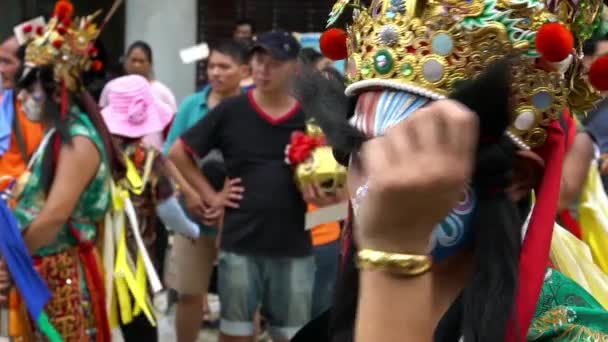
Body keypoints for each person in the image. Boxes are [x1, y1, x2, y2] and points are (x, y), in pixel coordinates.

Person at [291, 0, 608, 341]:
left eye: (412, 152)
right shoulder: (323, 332)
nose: (375, 188)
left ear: (516, 177)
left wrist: (396, 257)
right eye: (362, 156)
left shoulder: (569, 332)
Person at [170, 30, 322, 342]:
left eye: (274, 63)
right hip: (240, 241)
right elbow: (178, 153)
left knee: (292, 333)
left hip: (293, 244)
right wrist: (211, 194)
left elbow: (336, 169)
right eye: (258, 61)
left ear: (294, 68)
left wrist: (324, 190)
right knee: (235, 331)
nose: (264, 70)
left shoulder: (310, 116)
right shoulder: (232, 110)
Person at [0, 3, 125, 340]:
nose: (23, 96)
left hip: (63, 273)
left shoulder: (78, 141)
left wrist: (13, 262)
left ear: (55, 90)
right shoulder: (59, 135)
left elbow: (55, 214)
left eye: (30, 87)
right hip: (44, 268)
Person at [163, 40, 249, 342]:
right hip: (192, 217)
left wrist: (226, 199)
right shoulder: (191, 106)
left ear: (244, 70)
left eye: (224, 67)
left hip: (240, 219)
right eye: (211, 66)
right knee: (189, 293)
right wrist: (190, 193)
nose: (215, 72)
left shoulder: (252, 107)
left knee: (241, 302)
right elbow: (169, 157)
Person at [0, 35, 44, 191]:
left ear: (27, 65)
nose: (1, 69)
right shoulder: (4, 102)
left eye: (7, 62)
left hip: (25, 197)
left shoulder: (40, 110)